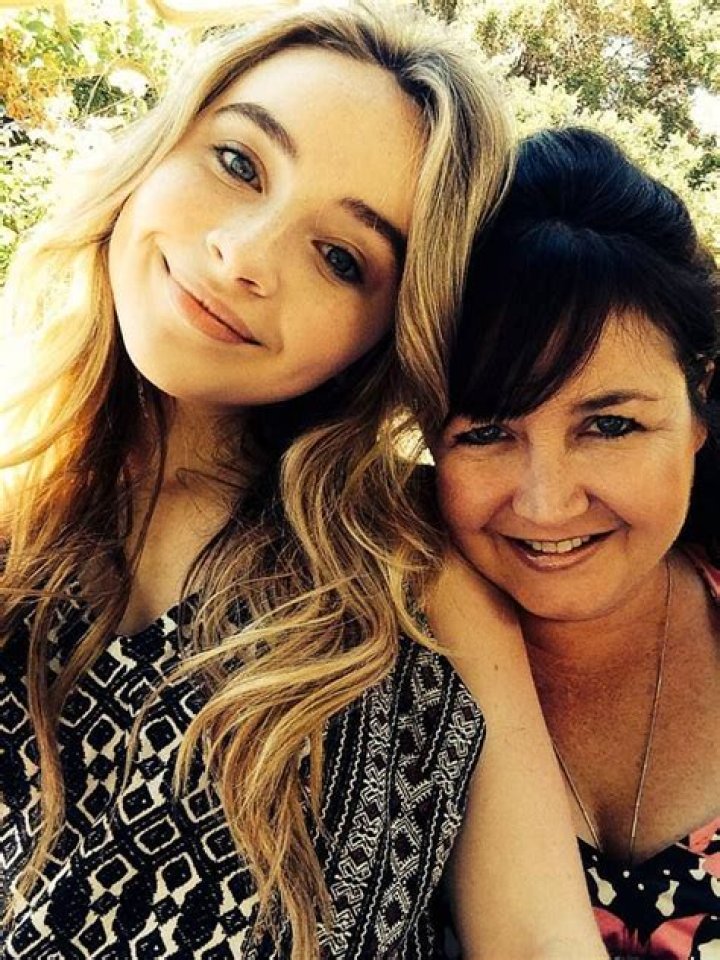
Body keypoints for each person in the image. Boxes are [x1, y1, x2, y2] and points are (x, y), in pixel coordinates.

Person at [0, 5, 606, 956]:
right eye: (238, 162)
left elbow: (537, 941)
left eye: (340, 258)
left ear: (388, 331)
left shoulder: (418, 583)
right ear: (161, 144)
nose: (243, 256)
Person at [434, 127, 720, 959]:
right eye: (486, 431)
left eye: (611, 425)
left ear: (698, 408)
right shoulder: (358, 652)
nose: (547, 502)